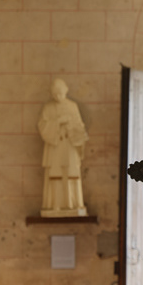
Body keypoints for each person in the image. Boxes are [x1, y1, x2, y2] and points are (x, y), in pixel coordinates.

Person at [38, 77, 88, 216]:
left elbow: (80, 127)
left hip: (69, 145)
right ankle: (56, 205)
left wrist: (70, 125)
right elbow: (43, 127)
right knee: (55, 175)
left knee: (71, 174)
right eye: (55, 94)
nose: (58, 96)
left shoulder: (72, 106)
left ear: (66, 91)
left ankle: (72, 203)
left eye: (60, 93)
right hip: (55, 146)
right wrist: (58, 122)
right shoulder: (48, 108)